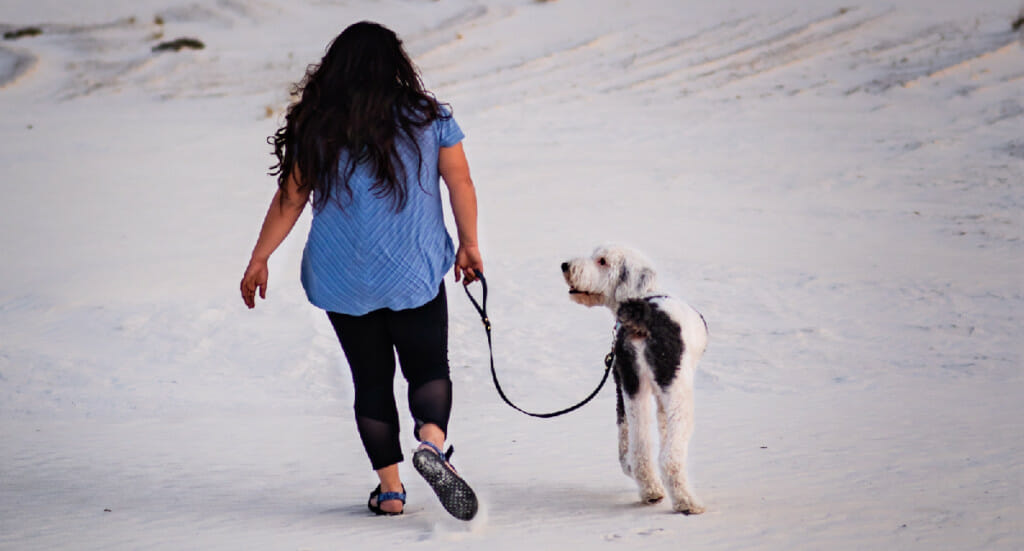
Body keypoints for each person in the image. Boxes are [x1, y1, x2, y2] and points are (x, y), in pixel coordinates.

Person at [239, 21, 482, 521]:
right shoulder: (429, 117)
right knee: (428, 368)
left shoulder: (318, 125)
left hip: (342, 276)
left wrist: (259, 257)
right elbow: (460, 182)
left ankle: (390, 492)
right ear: (396, 65)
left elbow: (291, 198)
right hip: (412, 270)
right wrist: (469, 245)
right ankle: (431, 445)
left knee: (370, 381)